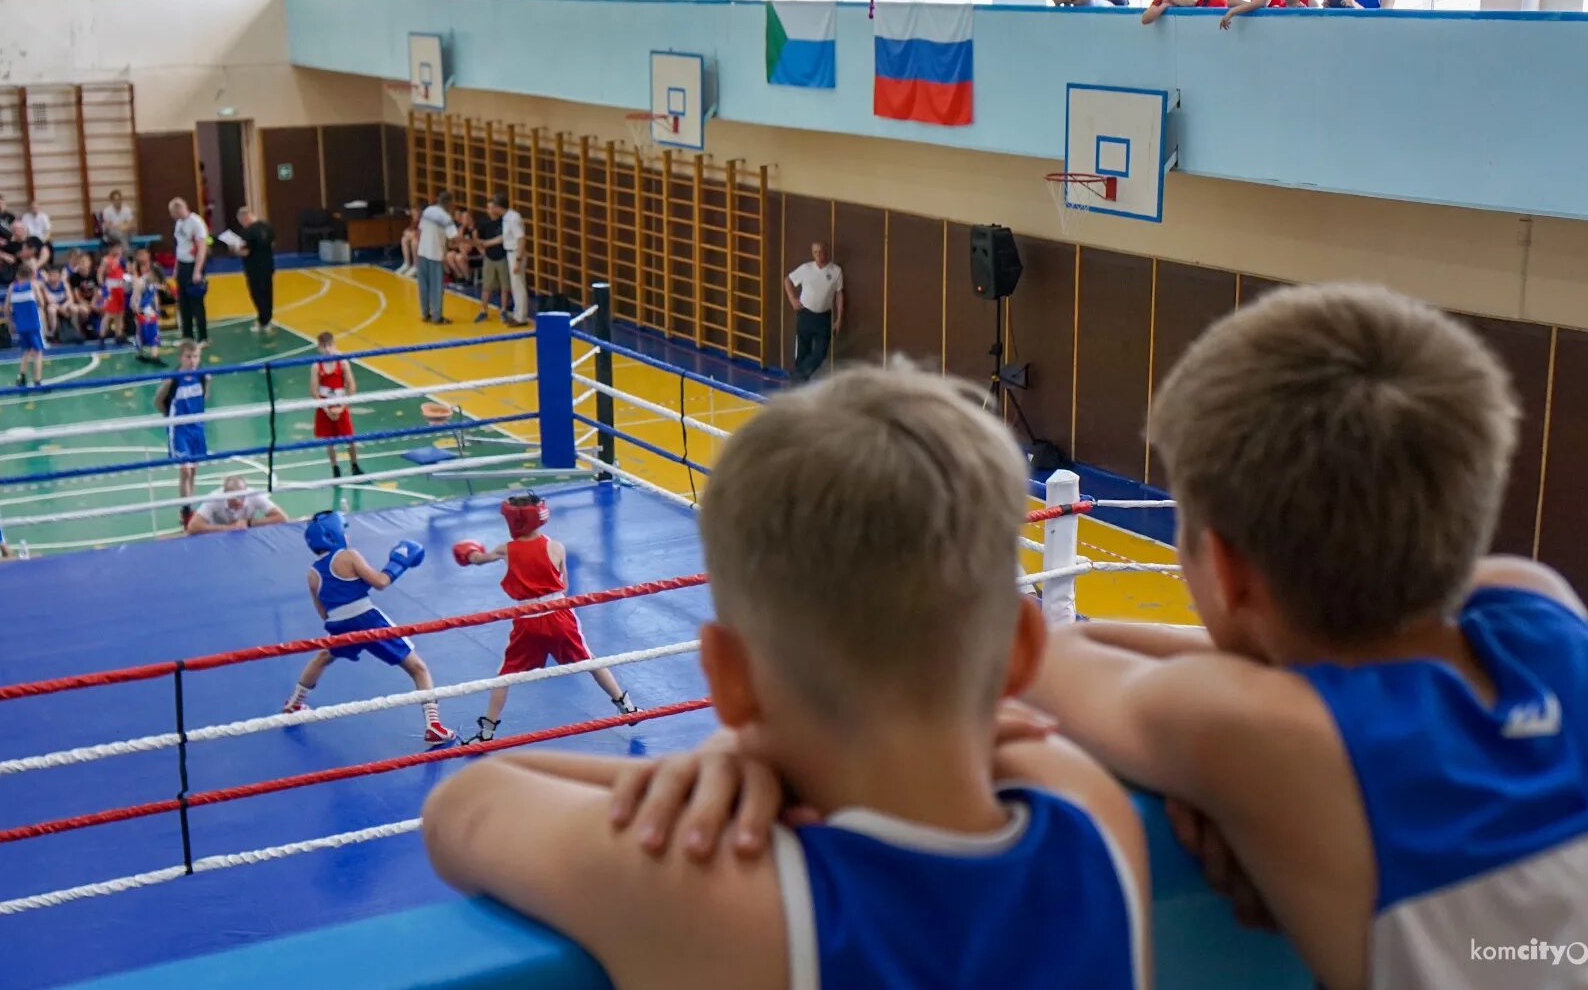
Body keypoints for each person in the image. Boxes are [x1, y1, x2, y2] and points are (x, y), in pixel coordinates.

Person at [423, 366, 1149, 989]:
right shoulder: (1095, 814)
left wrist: (717, 757)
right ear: (1021, 652)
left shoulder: (716, 891)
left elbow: (467, 805)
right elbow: (1068, 678)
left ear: (727, 681)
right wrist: (968, 712)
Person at [1020, 284, 1588, 989]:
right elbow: (1401, 630)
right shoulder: (1536, 604)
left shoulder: (1259, 731)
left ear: (1228, 571)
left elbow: (1052, 650)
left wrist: (1247, 773)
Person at [451, 492, 638, 743]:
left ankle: (486, 734)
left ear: (514, 520)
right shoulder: (556, 546)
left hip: (527, 619)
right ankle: (627, 707)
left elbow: (477, 559)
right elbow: (565, 585)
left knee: (504, 676)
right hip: (559, 614)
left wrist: (469, 551)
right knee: (589, 661)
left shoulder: (506, 549)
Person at [278, 511, 452, 737]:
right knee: (418, 668)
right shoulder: (348, 555)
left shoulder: (312, 573)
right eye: (344, 531)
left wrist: (343, 624)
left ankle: (294, 703)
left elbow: (323, 611)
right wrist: (399, 563)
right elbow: (380, 582)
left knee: (322, 658)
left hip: (338, 624)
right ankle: (434, 726)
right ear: (334, 534)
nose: (347, 536)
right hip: (366, 618)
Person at [155, 341, 209, 529]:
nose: (192, 360)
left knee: (193, 470)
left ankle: (188, 508)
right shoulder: (172, 379)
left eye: (195, 357)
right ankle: (186, 512)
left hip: (197, 428)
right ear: (180, 358)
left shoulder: (202, 376)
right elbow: (158, 402)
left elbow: (204, 398)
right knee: (185, 469)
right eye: (188, 356)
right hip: (179, 430)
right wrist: (171, 418)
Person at [784, 241, 843, 382]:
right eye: (815, 252)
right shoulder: (806, 269)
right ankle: (800, 380)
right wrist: (792, 299)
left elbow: (839, 294)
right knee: (803, 351)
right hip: (806, 314)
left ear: (826, 252)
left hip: (824, 317)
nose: (818, 255)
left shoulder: (836, 271)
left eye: (821, 251)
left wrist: (839, 318)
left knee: (820, 353)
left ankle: (799, 374)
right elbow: (788, 280)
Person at [309, 331, 365, 478]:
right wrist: (326, 409)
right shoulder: (316, 366)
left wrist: (342, 407)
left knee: (350, 438)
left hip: (341, 403)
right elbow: (314, 391)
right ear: (319, 347)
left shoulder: (343, 362)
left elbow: (352, 386)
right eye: (324, 346)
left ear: (334, 345)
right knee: (330, 441)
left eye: (330, 345)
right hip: (324, 404)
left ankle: (355, 466)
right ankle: (335, 469)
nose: (328, 349)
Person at [186, 474, 289, 535]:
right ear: (225, 494)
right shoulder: (215, 498)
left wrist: (248, 522)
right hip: (217, 536)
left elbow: (282, 517)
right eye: (234, 500)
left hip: (245, 535)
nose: (239, 502)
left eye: (241, 497)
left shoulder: (253, 494)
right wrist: (229, 528)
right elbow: (192, 527)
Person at [170, 197, 210, 343]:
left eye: (173, 212)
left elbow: (202, 247)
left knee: (196, 302)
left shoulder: (196, 222)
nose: (172, 215)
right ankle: (187, 336)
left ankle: (203, 337)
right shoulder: (178, 223)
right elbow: (179, 247)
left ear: (180, 208)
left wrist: (197, 271)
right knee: (183, 303)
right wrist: (176, 268)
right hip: (182, 265)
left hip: (193, 265)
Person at [415, 193, 457, 325]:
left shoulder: (428, 211)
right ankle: (437, 316)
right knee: (436, 287)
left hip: (422, 253)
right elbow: (454, 237)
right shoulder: (445, 217)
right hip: (435, 255)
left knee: (423, 286)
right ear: (449, 203)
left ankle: (425, 313)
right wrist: (473, 243)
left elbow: (420, 231)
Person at [489, 194, 529, 326]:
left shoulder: (512, 218)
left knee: (518, 286)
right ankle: (517, 314)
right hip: (510, 253)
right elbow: (505, 237)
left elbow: (521, 238)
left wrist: (518, 260)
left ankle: (521, 317)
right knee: (515, 285)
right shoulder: (506, 218)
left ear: (498, 206)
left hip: (515, 254)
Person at [236, 206, 276, 333]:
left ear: (245, 218)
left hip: (254, 269)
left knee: (257, 295)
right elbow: (273, 243)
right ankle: (268, 318)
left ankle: (263, 320)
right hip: (268, 266)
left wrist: (235, 249)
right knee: (268, 293)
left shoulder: (247, 232)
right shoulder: (267, 226)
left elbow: (245, 252)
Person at [8, 263, 49, 389]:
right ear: (31, 275)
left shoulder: (11, 288)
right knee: (38, 352)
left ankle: (21, 376)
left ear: (18, 275)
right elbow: (41, 302)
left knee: (26, 351)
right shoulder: (33, 286)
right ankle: (37, 381)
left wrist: (11, 322)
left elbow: (6, 307)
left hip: (20, 325)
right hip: (33, 325)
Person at [474, 200, 509, 322]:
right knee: (486, 286)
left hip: (502, 257)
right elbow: (476, 237)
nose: (491, 210)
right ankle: (483, 310)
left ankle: (503, 310)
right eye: (489, 208)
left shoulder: (503, 222)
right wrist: (480, 249)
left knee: (504, 286)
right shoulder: (484, 223)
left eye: (493, 207)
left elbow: (504, 238)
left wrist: (487, 243)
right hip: (489, 258)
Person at [132, 259, 166, 365]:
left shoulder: (153, 283)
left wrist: (157, 309)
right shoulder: (141, 282)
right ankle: (139, 354)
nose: (156, 280)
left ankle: (154, 356)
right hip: (141, 312)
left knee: (154, 333)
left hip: (150, 312)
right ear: (151, 273)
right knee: (140, 334)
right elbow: (134, 299)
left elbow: (154, 296)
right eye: (156, 278)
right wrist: (137, 311)